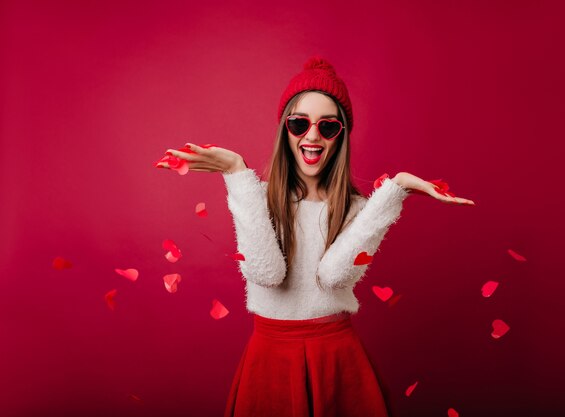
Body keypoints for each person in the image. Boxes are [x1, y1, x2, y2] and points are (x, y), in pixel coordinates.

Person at [155, 55, 474, 417]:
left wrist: (392, 192)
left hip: (336, 359)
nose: (312, 136)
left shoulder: (356, 208)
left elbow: (333, 277)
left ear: (340, 137)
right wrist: (236, 173)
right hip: (269, 359)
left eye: (328, 127)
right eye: (299, 123)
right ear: (285, 130)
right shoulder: (258, 199)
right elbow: (266, 274)